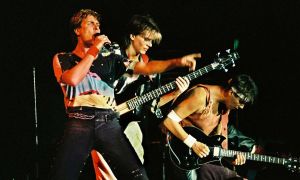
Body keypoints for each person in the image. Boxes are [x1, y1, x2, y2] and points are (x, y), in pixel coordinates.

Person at [51, 9, 200, 180]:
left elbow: (144, 68)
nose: (97, 29)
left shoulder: (111, 57)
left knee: (138, 175)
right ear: (77, 30)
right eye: (91, 24)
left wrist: (177, 62)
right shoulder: (63, 58)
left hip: (108, 121)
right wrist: (95, 49)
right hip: (79, 120)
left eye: (99, 25)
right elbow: (73, 79)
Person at [90, 14, 192, 179]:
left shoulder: (150, 68)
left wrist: (176, 93)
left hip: (131, 127)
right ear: (132, 35)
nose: (150, 45)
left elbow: (153, 104)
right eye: (146, 39)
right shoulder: (111, 55)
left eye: (152, 41)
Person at [161, 74, 259, 180]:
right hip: (180, 151)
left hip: (197, 158)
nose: (241, 106)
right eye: (242, 102)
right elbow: (168, 121)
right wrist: (193, 144)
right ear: (231, 92)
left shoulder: (225, 109)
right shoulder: (201, 95)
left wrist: (228, 158)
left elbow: (211, 144)